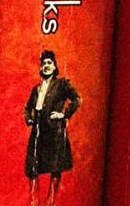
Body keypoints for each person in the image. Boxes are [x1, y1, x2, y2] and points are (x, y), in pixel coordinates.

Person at [23, 50, 81, 206]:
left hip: (54, 131)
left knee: (55, 167)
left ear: (55, 67)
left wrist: (64, 114)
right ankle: (34, 202)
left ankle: (51, 202)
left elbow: (77, 99)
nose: (46, 66)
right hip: (38, 130)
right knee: (33, 167)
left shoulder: (62, 84)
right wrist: (29, 119)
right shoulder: (36, 89)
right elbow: (27, 107)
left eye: (49, 63)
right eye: (44, 64)